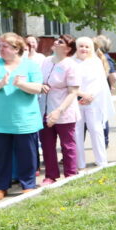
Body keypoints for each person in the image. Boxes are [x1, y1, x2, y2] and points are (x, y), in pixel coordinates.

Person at [0, 33, 43, 200]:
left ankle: (28, 185)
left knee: (27, 154)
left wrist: (22, 84)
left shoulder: (30, 65)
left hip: (25, 119)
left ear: (16, 49)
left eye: (5, 46)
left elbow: (38, 88)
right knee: (0, 155)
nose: (1, 49)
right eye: (0, 46)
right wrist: (1, 83)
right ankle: (0, 187)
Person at [39, 34, 80, 185]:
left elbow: (73, 92)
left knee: (67, 145)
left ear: (68, 49)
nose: (56, 42)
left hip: (64, 111)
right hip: (44, 110)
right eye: (57, 39)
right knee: (47, 145)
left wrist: (58, 111)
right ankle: (50, 175)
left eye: (60, 42)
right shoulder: (46, 61)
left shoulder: (71, 65)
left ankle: (70, 175)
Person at [74, 37, 109, 168]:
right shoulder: (71, 61)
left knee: (96, 129)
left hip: (93, 101)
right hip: (75, 101)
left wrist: (90, 96)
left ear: (91, 48)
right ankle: (79, 163)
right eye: (81, 46)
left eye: (87, 46)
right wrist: (80, 95)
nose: (84, 49)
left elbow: (101, 82)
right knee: (77, 132)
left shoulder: (96, 62)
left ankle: (101, 161)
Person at [94, 34, 116, 148]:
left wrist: (110, 85)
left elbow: (113, 76)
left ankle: (104, 140)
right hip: (101, 90)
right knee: (102, 115)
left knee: (102, 116)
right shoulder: (105, 57)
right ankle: (104, 140)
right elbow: (113, 77)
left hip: (99, 91)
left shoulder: (104, 58)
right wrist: (111, 85)